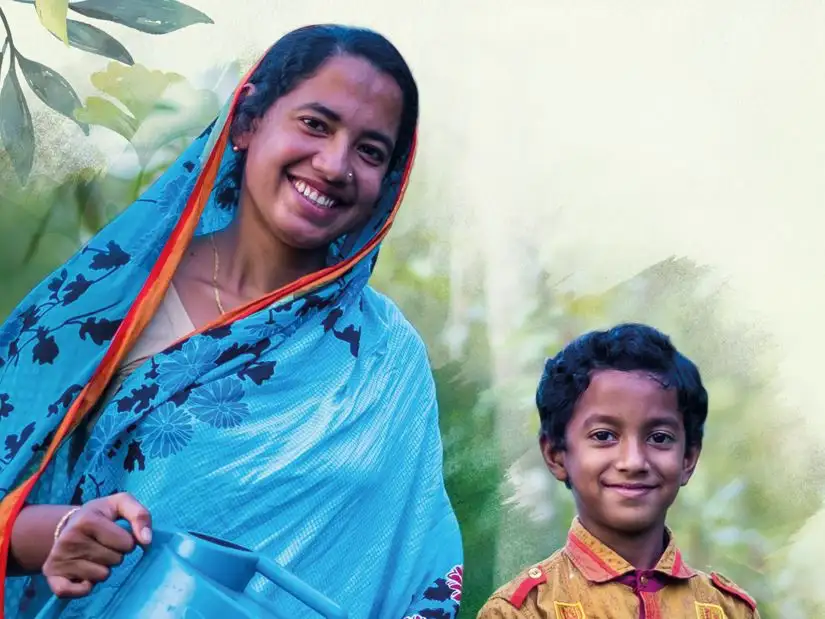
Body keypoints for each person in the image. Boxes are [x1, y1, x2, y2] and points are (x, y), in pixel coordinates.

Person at [0, 24, 463, 619]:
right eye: (315, 124)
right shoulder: (104, 301)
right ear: (247, 124)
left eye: (370, 151)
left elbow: (417, 563)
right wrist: (62, 529)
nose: (333, 163)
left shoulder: (386, 359)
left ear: (387, 185)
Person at [477, 323, 760, 618]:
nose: (634, 461)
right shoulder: (524, 611)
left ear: (688, 459)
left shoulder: (728, 610)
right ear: (556, 455)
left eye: (659, 438)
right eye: (604, 436)